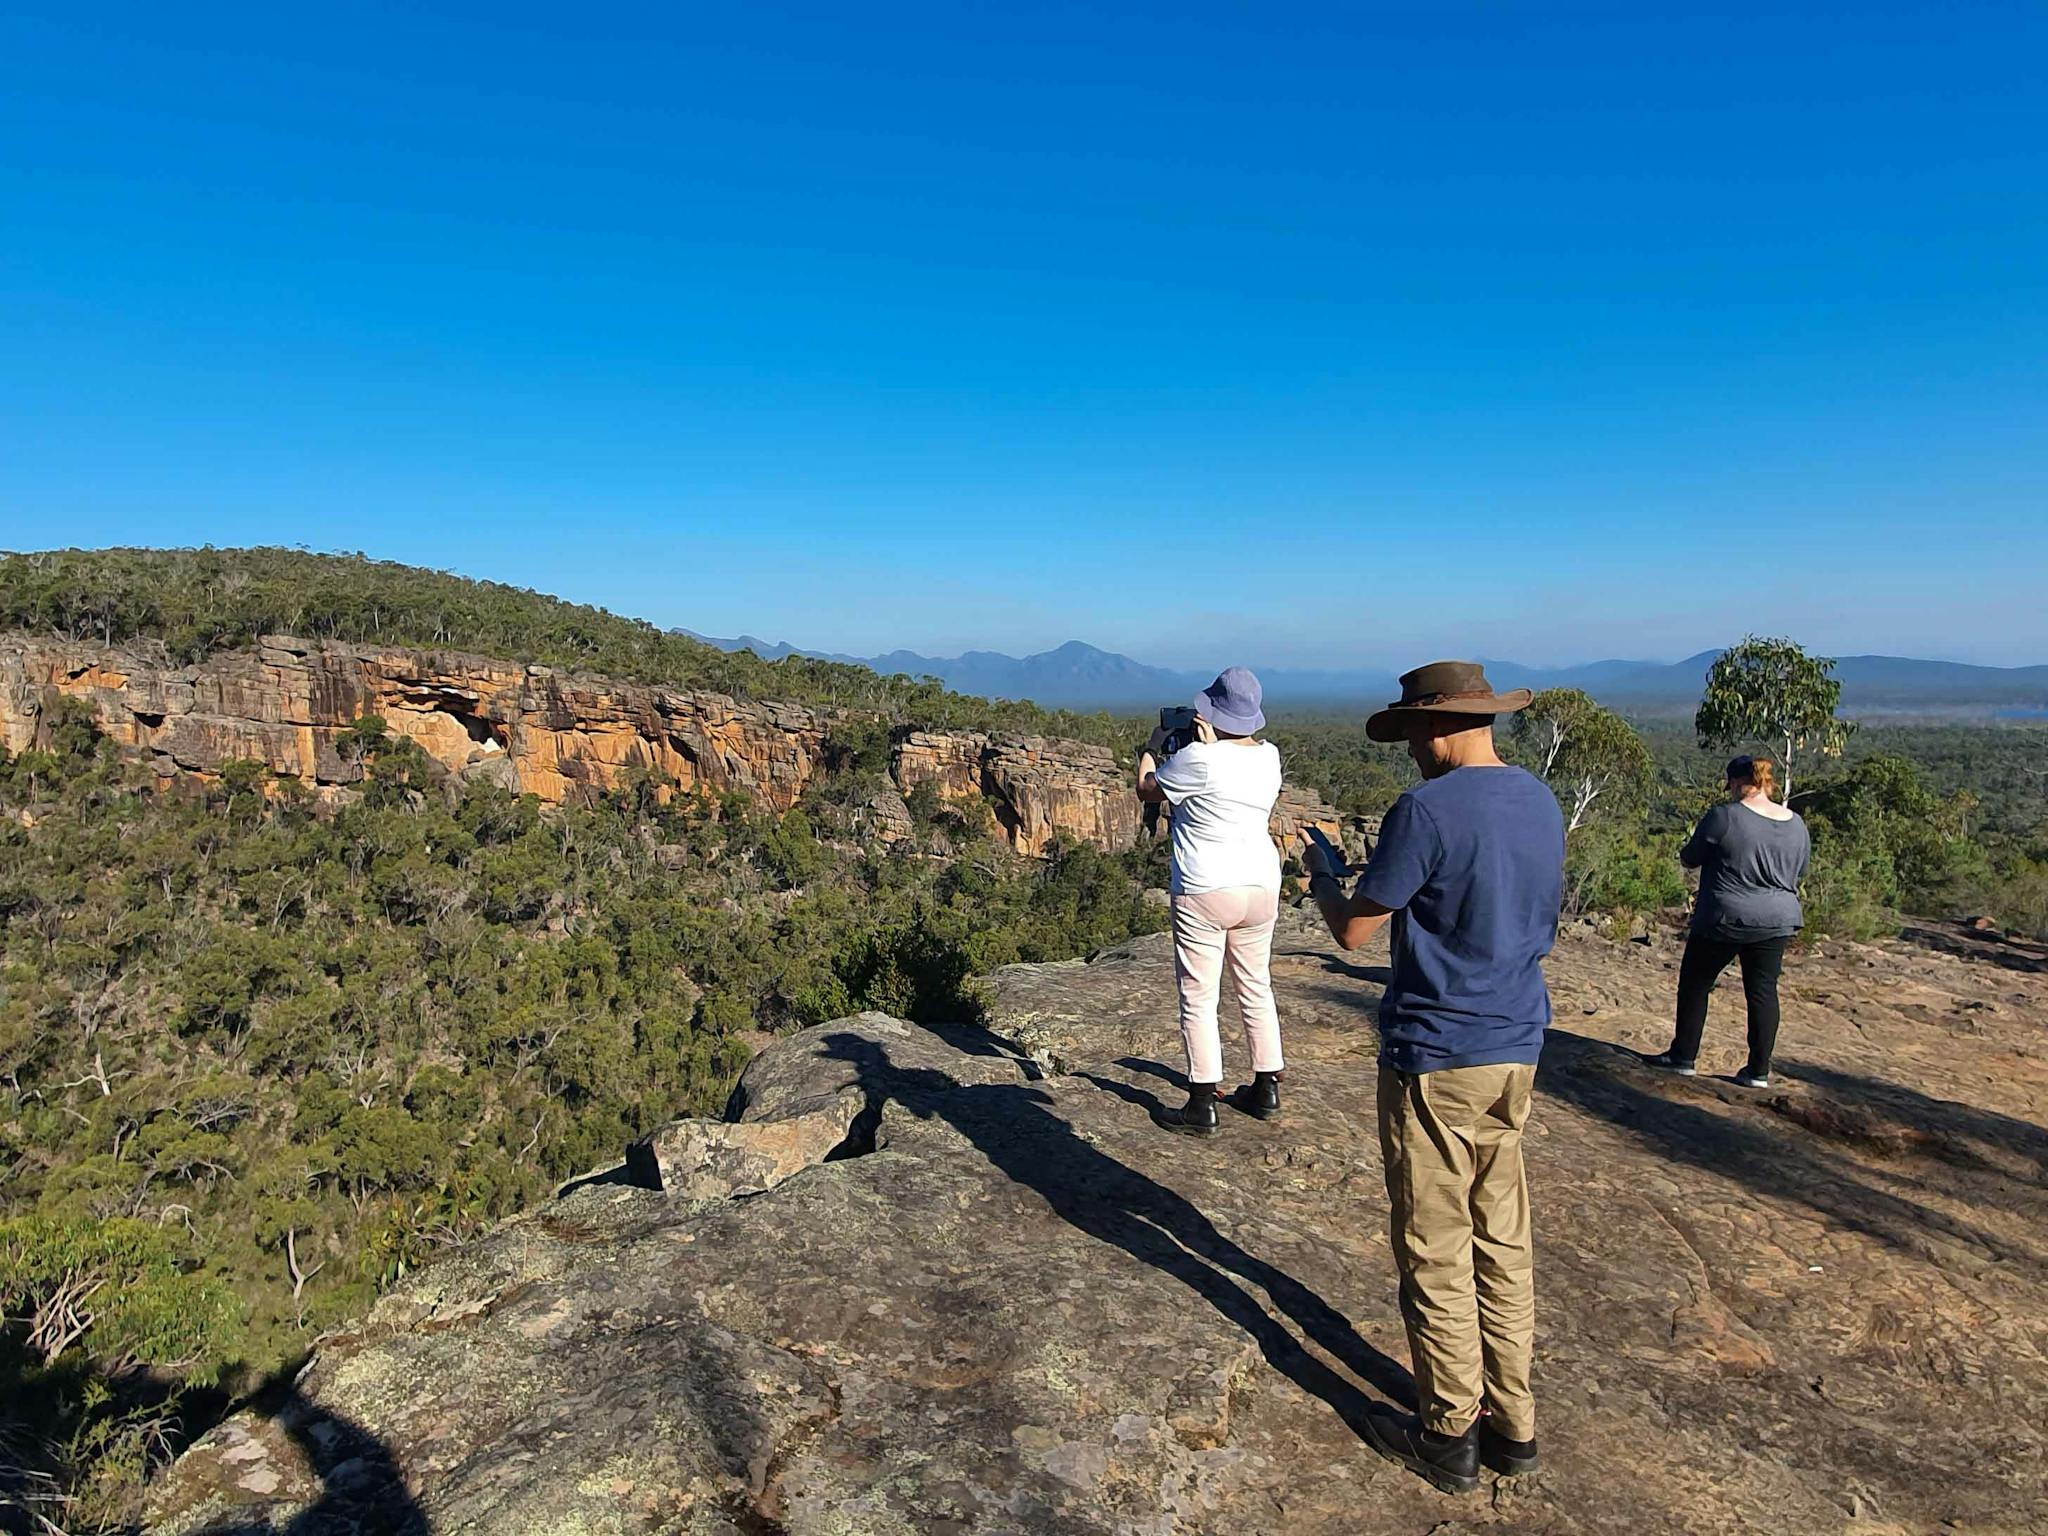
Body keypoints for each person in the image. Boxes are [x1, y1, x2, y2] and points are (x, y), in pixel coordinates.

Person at [1302, 660, 1563, 1495]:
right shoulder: (1538, 799)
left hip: (1437, 1054)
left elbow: (1355, 933)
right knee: (1504, 1238)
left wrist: (1321, 882)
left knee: (1436, 1247)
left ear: (1435, 726)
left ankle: (1447, 1430)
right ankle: (1514, 1426)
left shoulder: (1425, 809)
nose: (1410, 748)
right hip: (1516, 1045)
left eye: (1412, 732)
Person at [1135, 666, 1285, 1138]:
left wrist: (1151, 747)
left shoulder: (1199, 758)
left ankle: (1202, 1104)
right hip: (1261, 884)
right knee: (1255, 984)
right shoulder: (1271, 756)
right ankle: (1266, 1088)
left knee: (1198, 995)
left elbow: (1147, 788)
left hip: (1206, 887)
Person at [1647, 755, 1809, 1088]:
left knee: (1696, 983)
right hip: (1778, 919)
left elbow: (1690, 858)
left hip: (1725, 917)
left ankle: (1683, 1057)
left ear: (1736, 783)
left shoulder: (1724, 817)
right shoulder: (1796, 823)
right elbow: (1800, 871)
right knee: (1763, 991)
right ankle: (1758, 1071)